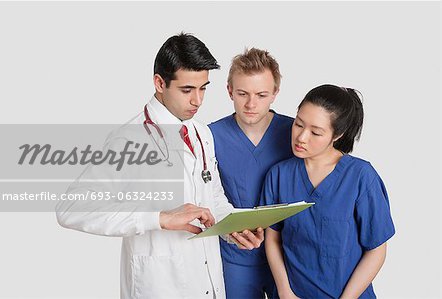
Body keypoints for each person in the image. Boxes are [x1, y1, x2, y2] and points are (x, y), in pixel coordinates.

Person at [56, 33, 264, 299]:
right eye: (187, 90)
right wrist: (160, 218)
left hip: (208, 281)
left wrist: (233, 228)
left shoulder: (201, 133)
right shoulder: (129, 139)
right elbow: (72, 208)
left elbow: (211, 199)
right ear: (159, 83)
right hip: (160, 286)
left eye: (203, 88)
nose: (197, 101)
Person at [262, 84, 395, 298]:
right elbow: (273, 238)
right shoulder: (279, 175)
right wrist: (285, 292)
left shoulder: (361, 177)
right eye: (298, 124)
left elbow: (376, 250)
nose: (302, 137)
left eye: (316, 132)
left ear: (337, 134)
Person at [209, 48, 294, 298]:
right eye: (242, 93)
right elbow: (203, 195)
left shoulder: (296, 134)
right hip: (235, 259)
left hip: (287, 257)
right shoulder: (210, 136)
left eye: (261, 94)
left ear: (275, 93)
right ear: (229, 91)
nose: (251, 104)